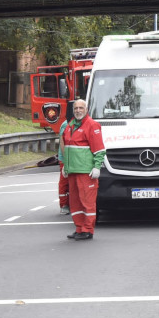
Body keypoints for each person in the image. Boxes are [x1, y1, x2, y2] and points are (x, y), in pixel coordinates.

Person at [59, 98, 104, 240]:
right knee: (75, 202)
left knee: (87, 202)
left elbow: (99, 149)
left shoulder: (92, 125)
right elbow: (66, 147)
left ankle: (88, 230)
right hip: (72, 171)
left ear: (86, 110)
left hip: (86, 172)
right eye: (76, 108)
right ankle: (79, 228)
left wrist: (97, 167)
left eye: (81, 108)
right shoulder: (70, 125)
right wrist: (65, 166)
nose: (78, 110)